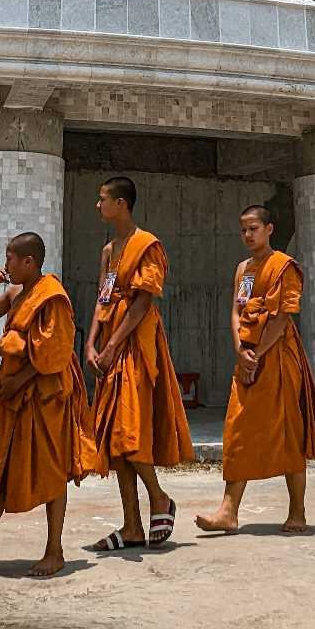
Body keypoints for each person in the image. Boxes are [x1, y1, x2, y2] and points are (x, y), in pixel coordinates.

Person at [0, 232, 95, 578]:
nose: (6, 266)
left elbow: (57, 350)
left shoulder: (52, 295)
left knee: (52, 468)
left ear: (28, 262)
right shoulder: (15, 292)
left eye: (10, 260)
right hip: (13, 395)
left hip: (44, 394)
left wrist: (23, 377)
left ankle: (55, 549)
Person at [197, 204, 315, 535]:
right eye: (243, 229)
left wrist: (257, 353)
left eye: (253, 228)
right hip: (247, 357)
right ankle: (228, 511)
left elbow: (283, 315)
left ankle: (297, 510)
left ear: (269, 229)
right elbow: (235, 311)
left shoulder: (283, 266)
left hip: (278, 357)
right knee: (237, 429)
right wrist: (240, 350)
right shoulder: (243, 268)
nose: (247, 235)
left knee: (288, 433)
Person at [87, 177, 193, 552]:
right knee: (116, 441)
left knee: (129, 433)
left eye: (102, 200)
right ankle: (132, 525)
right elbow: (103, 298)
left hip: (134, 343)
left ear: (121, 203)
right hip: (110, 347)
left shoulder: (147, 245)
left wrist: (113, 344)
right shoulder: (108, 250)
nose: (97, 206)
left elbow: (143, 301)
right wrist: (90, 341)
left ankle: (159, 498)